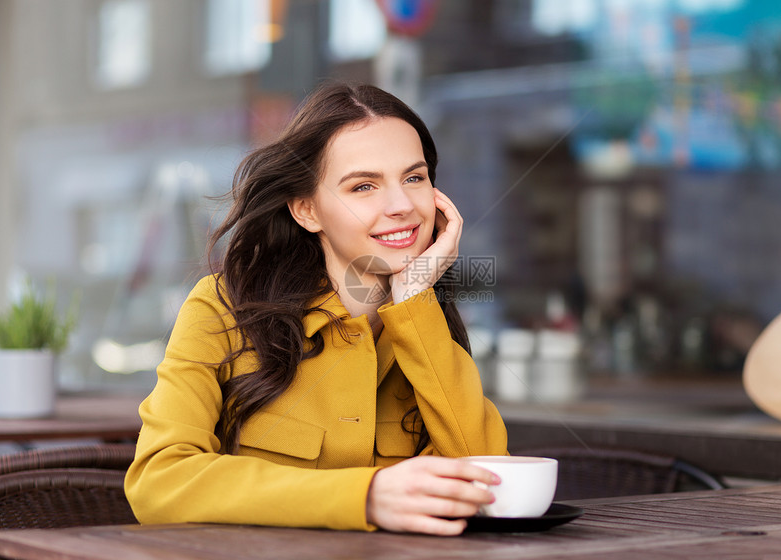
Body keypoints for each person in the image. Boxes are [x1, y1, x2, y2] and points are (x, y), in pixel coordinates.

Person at [124, 82, 509, 535]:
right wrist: (364, 498)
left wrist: (415, 300)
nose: (402, 205)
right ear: (307, 210)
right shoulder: (221, 307)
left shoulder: (428, 324)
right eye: (363, 186)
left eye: (414, 178)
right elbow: (159, 480)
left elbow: (488, 483)